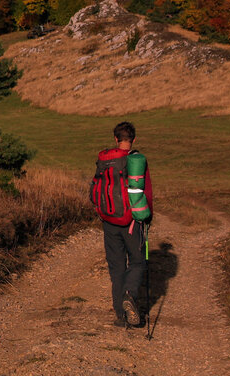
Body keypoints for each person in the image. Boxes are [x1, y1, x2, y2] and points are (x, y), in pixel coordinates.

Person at [97, 121, 152, 328]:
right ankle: (130, 294)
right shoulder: (136, 160)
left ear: (115, 139)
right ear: (134, 139)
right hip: (131, 221)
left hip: (109, 220)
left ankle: (121, 315)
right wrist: (147, 219)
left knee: (116, 267)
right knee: (137, 262)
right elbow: (146, 193)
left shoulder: (104, 160)